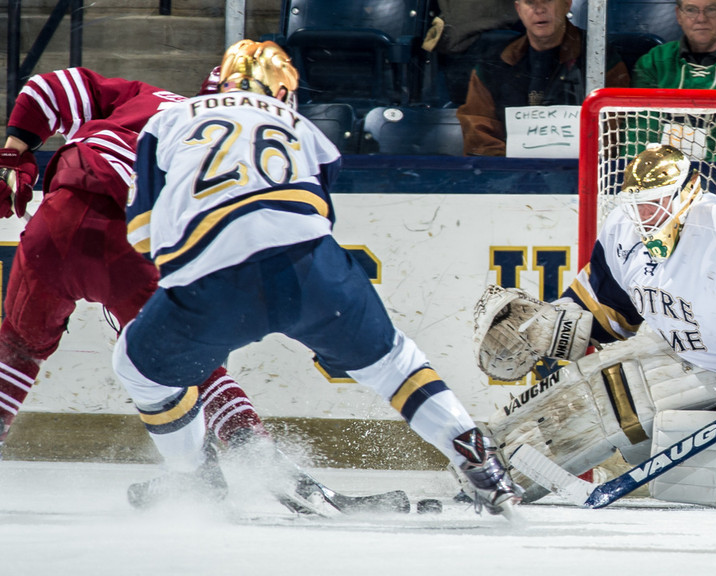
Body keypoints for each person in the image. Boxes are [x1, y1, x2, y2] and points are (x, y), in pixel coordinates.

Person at [112, 39, 522, 516]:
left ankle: (192, 479)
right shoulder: (305, 128)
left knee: (136, 368)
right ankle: (478, 462)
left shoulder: (168, 119)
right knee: (395, 363)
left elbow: (140, 232)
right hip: (311, 270)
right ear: (284, 91)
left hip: (211, 280)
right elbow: (319, 209)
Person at [473, 143, 716, 504]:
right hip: (694, 365)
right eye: (638, 203)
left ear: (687, 192)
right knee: (592, 397)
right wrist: (551, 330)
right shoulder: (620, 230)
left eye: (656, 202)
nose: (644, 215)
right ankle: (496, 475)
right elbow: (608, 310)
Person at [0, 67, 270, 459]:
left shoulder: (147, 97)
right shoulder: (254, 151)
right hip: (129, 243)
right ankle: (249, 449)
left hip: (56, 224)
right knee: (188, 355)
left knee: (19, 348)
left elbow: (46, 87)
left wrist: (13, 153)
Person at [456, 0, 631, 156]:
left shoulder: (599, 59)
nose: (539, 9)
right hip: (510, 180)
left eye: (547, 0)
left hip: (580, 176)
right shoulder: (492, 65)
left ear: (567, 4)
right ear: (518, 9)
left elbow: (614, 133)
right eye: (530, 2)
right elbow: (479, 137)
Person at [630, 0, 716, 161]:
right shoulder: (654, 61)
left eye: (711, 9)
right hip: (659, 173)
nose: (701, 18)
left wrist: (706, 173)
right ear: (678, 15)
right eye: (691, 10)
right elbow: (639, 131)